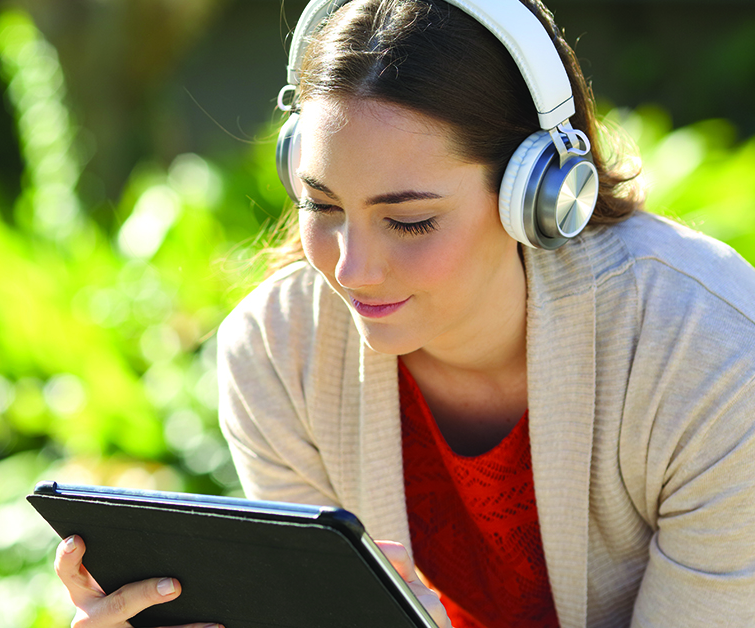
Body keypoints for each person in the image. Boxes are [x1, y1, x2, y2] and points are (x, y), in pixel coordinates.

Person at [52, 0, 755, 626]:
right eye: (321, 206)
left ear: (538, 195)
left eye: (410, 221)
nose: (350, 269)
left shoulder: (707, 353)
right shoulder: (277, 352)